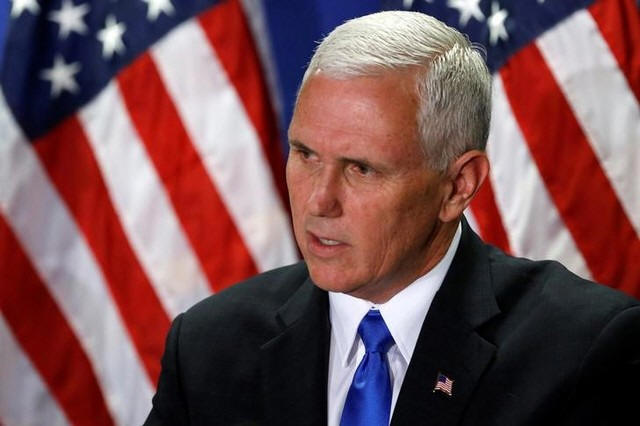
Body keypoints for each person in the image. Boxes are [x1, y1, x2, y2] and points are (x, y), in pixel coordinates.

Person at [144, 10, 640, 426]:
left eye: (361, 168)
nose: (319, 200)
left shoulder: (582, 351)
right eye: (306, 154)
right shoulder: (209, 347)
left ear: (458, 185)